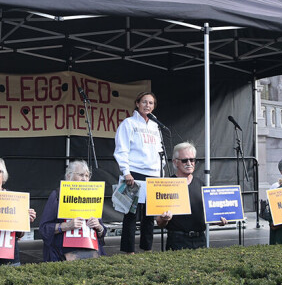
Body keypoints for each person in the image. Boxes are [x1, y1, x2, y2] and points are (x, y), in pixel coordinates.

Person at [113, 91, 163, 253]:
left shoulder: (156, 126)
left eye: (151, 103)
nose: (147, 105)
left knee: (150, 215)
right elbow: (122, 149)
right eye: (144, 102)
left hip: (153, 174)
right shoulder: (128, 123)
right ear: (137, 103)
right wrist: (126, 172)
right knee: (131, 214)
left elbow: (160, 151)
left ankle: (146, 248)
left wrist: (161, 175)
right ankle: (128, 251)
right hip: (134, 173)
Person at [156, 142, 226, 250]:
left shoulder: (202, 185)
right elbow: (159, 223)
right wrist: (165, 219)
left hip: (200, 240)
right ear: (175, 162)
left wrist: (218, 221)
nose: (189, 163)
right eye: (184, 160)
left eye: (192, 160)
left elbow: (208, 216)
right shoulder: (166, 185)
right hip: (177, 240)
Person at [38, 161, 107, 261]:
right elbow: (44, 229)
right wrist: (66, 226)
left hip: (92, 253)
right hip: (62, 255)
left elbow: (102, 232)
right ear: (68, 176)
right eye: (81, 175)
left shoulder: (92, 196)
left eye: (87, 176)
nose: (84, 179)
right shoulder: (58, 195)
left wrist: (99, 226)